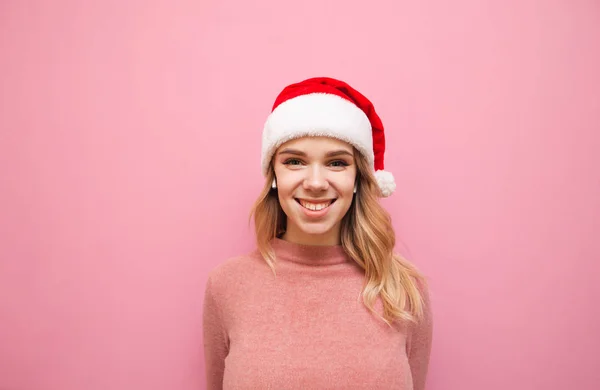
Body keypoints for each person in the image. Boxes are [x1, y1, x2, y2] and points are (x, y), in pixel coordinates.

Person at [202, 77, 433, 389]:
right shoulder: (226, 286)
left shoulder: (404, 288)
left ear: (358, 179)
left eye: (336, 163)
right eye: (295, 161)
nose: (315, 182)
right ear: (273, 175)